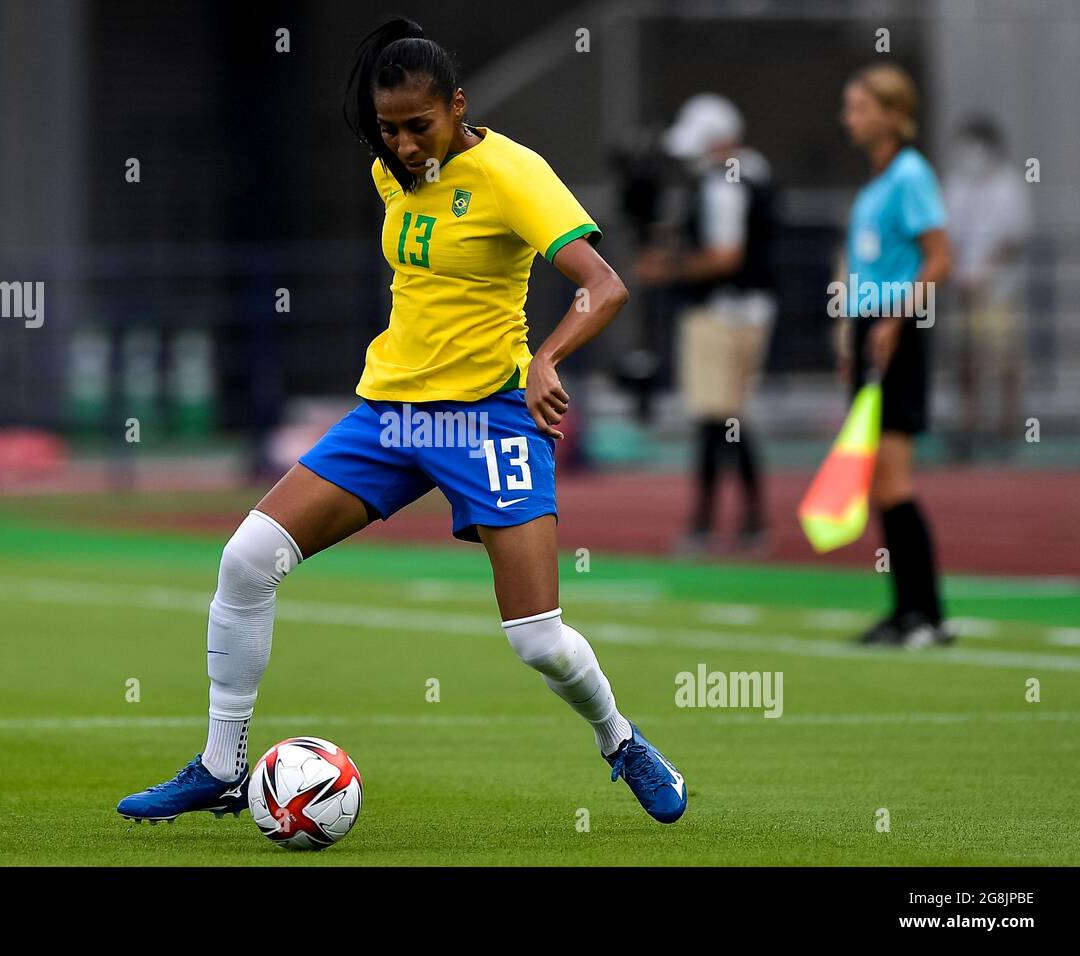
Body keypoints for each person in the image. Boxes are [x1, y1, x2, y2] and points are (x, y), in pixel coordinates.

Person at [116, 17, 687, 827]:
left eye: (420, 125)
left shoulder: (514, 172)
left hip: (488, 420)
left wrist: (547, 359)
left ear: (458, 106)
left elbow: (604, 284)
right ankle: (221, 766)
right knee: (246, 560)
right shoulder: (393, 171)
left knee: (537, 639)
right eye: (389, 129)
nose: (405, 144)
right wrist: (392, 140)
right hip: (391, 417)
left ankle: (621, 742)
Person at [837, 65, 953, 648]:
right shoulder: (876, 181)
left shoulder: (910, 174)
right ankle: (906, 610)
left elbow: (939, 256)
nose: (848, 118)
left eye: (859, 107)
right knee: (879, 480)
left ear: (890, 113)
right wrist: (851, 340)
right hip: (869, 331)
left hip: (896, 332)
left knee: (894, 479)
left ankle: (927, 614)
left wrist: (894, 317)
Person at [637, 94, 777, 554]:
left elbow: (724, 257)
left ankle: (708, 524)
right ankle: (749, 521)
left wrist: (669, 269)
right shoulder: (756, 174)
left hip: (720, 314)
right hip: (751, 310)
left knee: (713, 418)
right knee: (734, 417)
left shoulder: (723, 184)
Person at [943, 115, 1031, 457]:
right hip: (963, 287)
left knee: (1003, 357)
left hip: (999, 289)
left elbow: (1013, 237)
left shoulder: (1009, 186)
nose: (970, 155)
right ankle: (969, 423)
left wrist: (984, 270)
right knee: (967, 357)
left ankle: (1007, 426)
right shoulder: (956, 185)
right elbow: (946, 232)